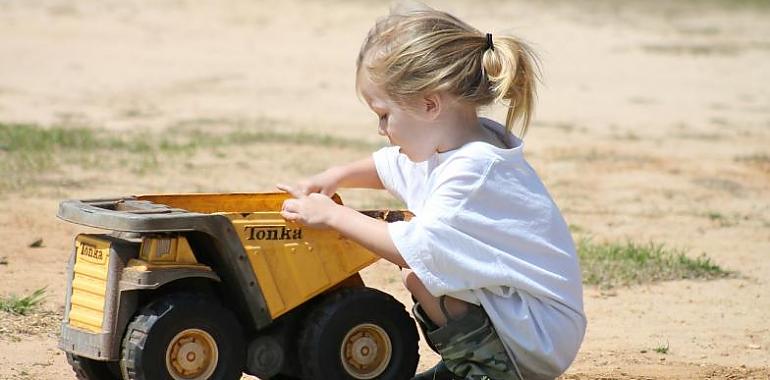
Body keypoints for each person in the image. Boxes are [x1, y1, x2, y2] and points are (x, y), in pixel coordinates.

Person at [278, 4, 586, 380]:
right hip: (529, 322)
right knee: (420, 275)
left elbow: (415, 246)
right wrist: (335, 176)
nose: (381, 129)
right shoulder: (459, 143)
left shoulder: (472, 172)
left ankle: (485, 372)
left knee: (419, 272)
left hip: (537, 334)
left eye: (383, 115)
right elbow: (392, 167)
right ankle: (471, 364)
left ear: (429, 104)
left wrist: (334, 216)